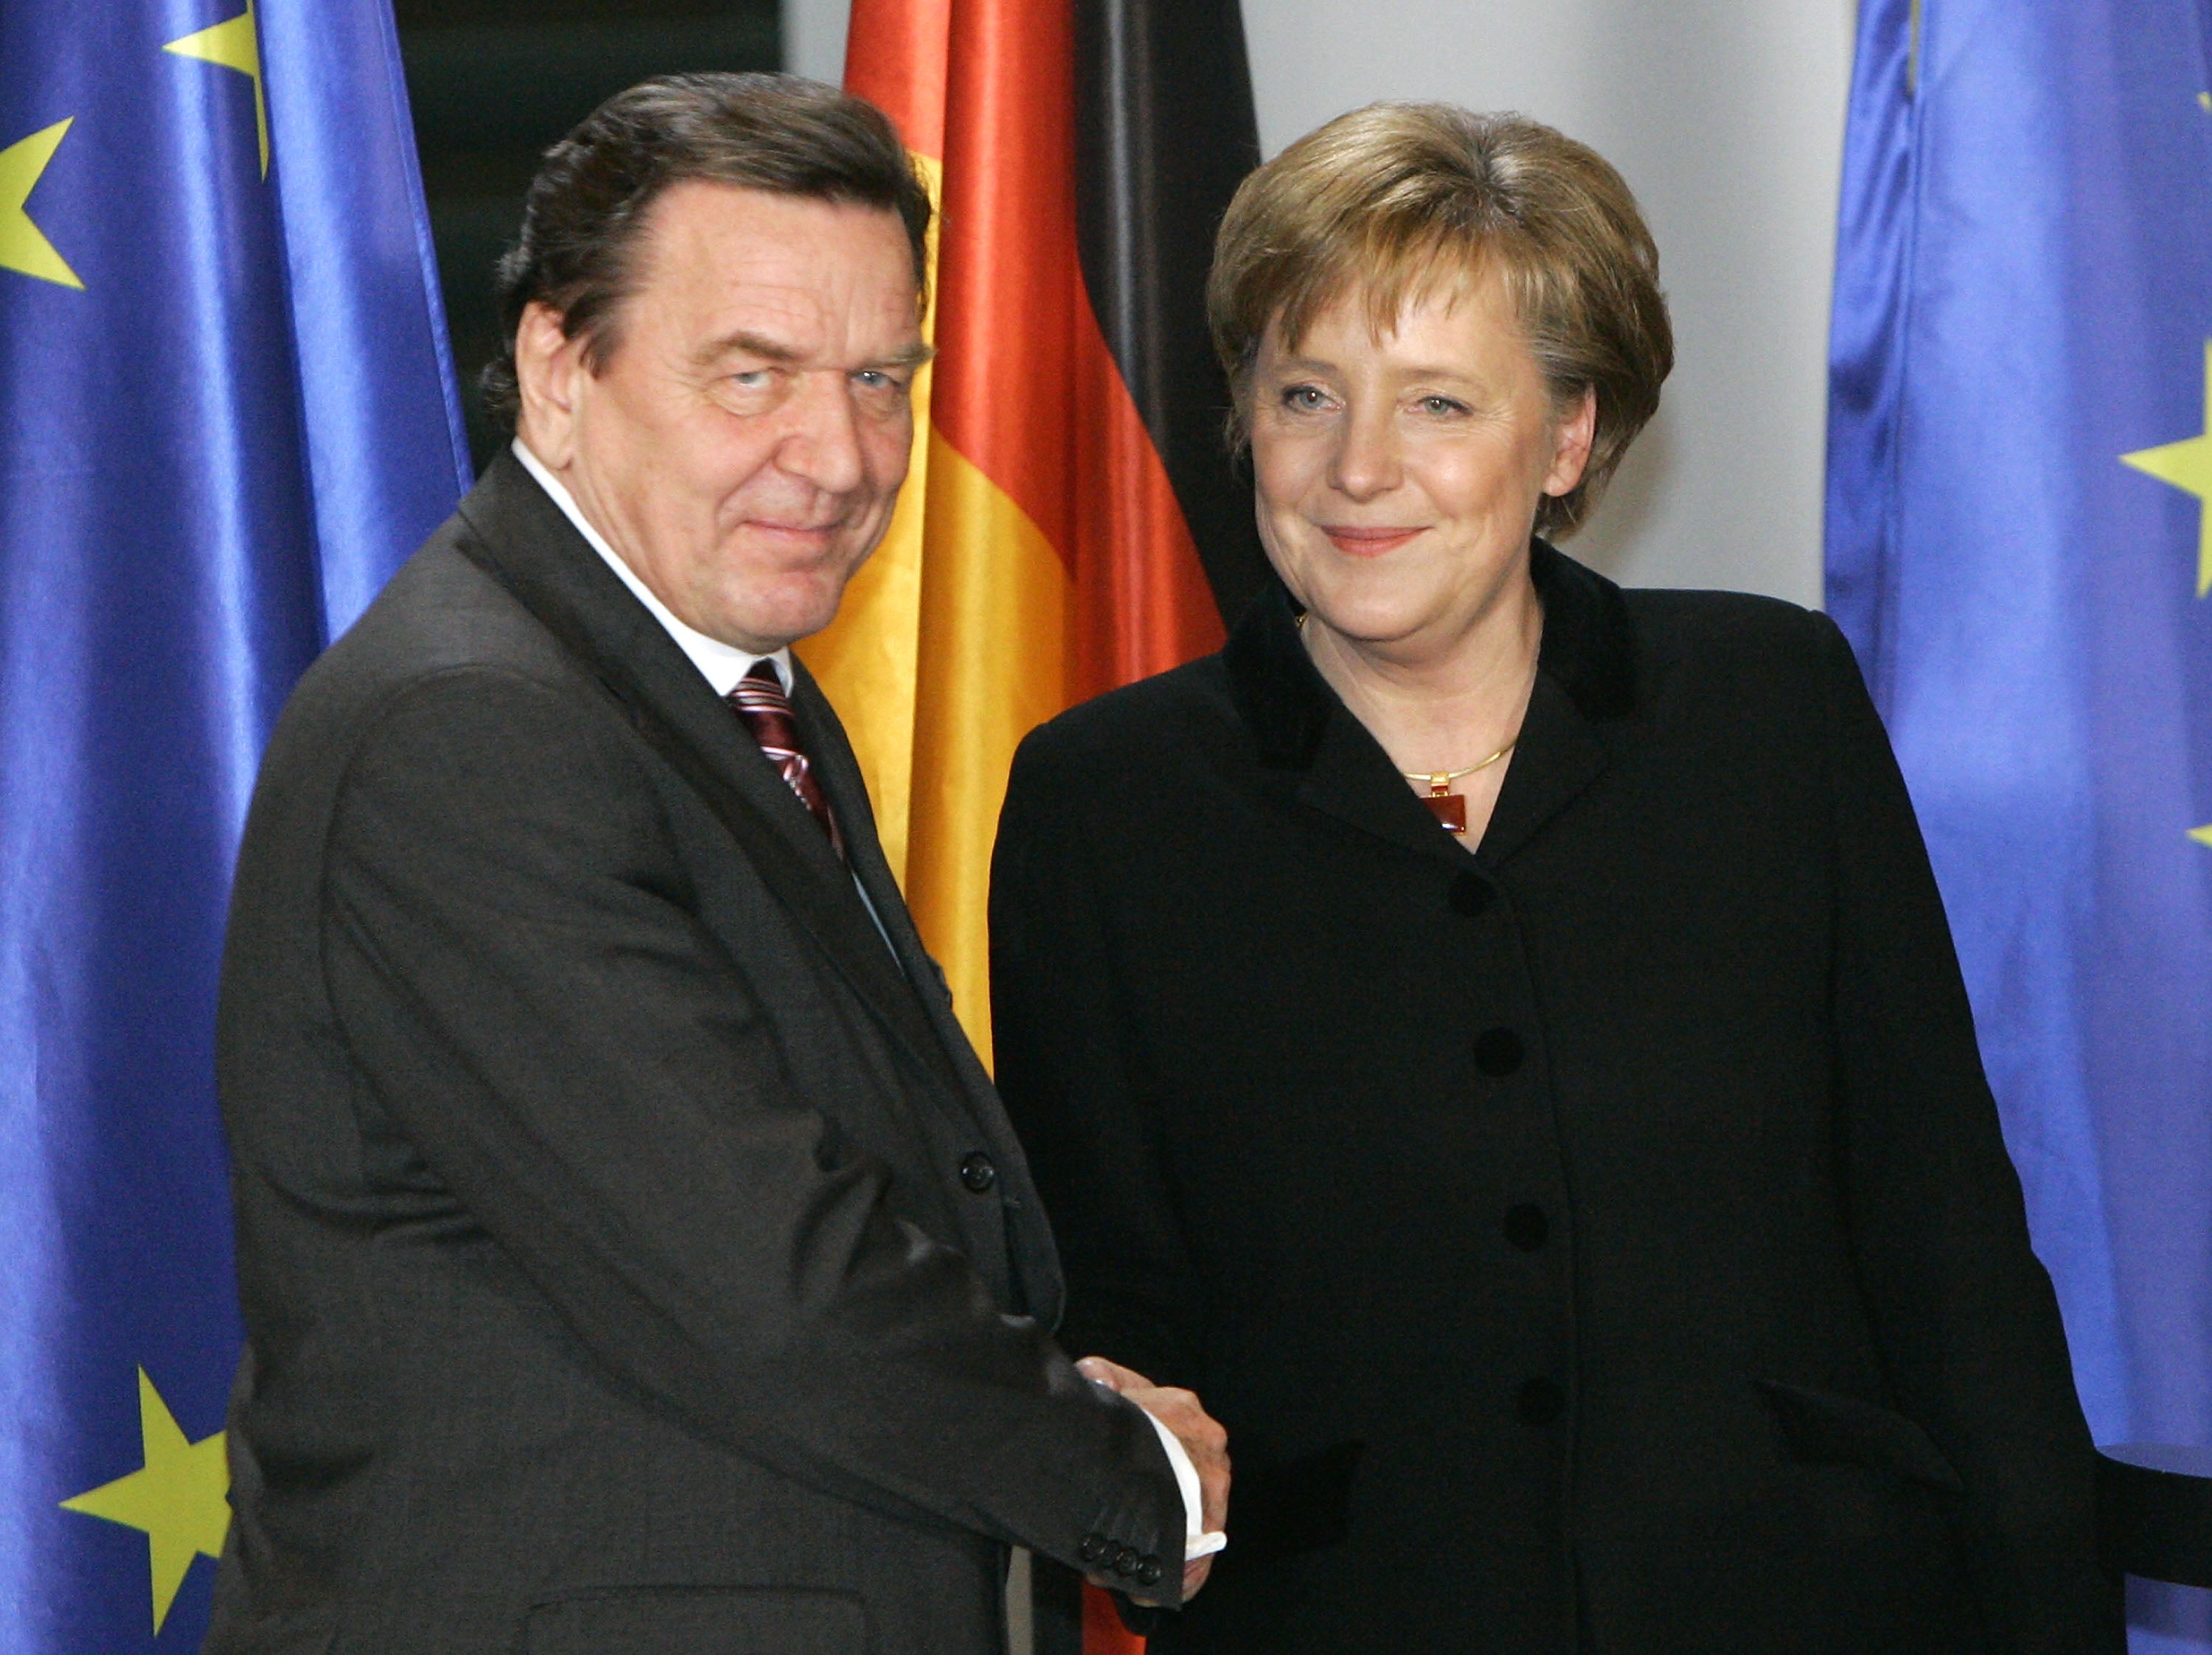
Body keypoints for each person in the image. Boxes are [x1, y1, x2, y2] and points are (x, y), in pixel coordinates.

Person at [990, 102, 2119, 1654]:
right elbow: (1113, 1294)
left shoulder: (1767, 705)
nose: (1358, 468)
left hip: (1808, 1604)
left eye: (1441, 403)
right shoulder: (1103, 798)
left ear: (1570, 436)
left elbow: (1945, 1231)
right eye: (1306, 391)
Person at [208, 73, 1224, 1655]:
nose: (839, 455)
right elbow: (768, 1280)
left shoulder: (708, 675)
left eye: (883, 377)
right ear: (559, 368)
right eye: (753, 375)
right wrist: (1126, 1476)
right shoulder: (472, 725)